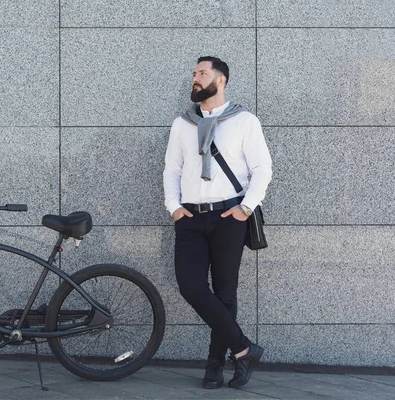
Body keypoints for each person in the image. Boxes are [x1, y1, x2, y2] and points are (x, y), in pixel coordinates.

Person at [163, 56, 272, 389]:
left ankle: (215, 367)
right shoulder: (183, 124)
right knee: (191, 286)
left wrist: (246, 207)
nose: (195, 79)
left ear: (220, 80)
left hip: (229, 217)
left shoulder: (244, 121)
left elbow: (262, 169)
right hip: (191, 218)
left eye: (202, 73)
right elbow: (172, 169)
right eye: (194, 73)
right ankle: (243, 349)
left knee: (225, 293)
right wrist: (174, 207)